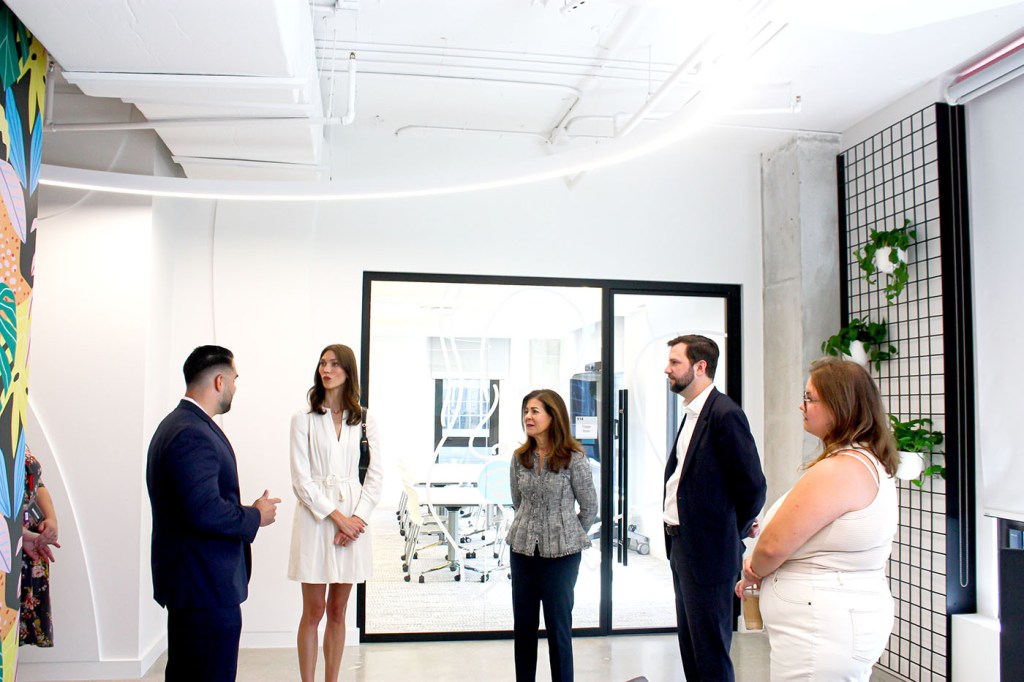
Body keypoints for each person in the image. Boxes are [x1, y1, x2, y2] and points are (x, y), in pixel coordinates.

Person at [735, 357, 898, 681]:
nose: (801, 405)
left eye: (810, 398)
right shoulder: (863, 460)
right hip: (825, 624)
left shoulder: (841, 468)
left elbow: (772, 548)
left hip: (820, 631)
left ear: (840, 406)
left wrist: (754, 569)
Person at [146, 345, 280, 682]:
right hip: (203, 586)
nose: (235, 387)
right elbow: (203, 510)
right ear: (219, 381)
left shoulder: (177, 425)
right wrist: (254, 516)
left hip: (193, 584)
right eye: (234, 379)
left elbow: (197, 502)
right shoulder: (192, 433)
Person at [662, 334, 766, 682]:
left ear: (700, 366)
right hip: (682, 545)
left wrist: (731, 530)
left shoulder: (725, 415)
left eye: (675, 362)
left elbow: (753, 486)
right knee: (691, 647)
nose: (668, 369)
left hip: (709, 551)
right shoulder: (693, 414)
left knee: (710, 652)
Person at [288, 344, 383, 682]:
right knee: (313, 611)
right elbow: (301, 480)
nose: (326, 369)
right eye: (322, 363)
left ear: (348, 371)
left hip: (353, 519)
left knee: (338, 611)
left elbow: (375, 475)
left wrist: (356, 520)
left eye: (334, 364)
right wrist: (336, 517)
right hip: (317, 520)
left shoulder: (365, 419)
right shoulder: (304, 419)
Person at [506, 389, 597, 682]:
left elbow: (590, 506)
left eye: (535, 411)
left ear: (552, 416)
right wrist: (533, 526)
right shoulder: (520, 458)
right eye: (526, 411)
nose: (528, 417)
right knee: (524, 628)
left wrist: (568, 534)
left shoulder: (574, 459)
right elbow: (517, 501)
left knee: (559, 629)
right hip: (522, 551)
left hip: (562, 557)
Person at [21, 446, 60, 647]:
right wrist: (18, 534)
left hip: (25, 543)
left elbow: (37, 482)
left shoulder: (12, 423)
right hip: (9, 545)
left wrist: (51, 518)